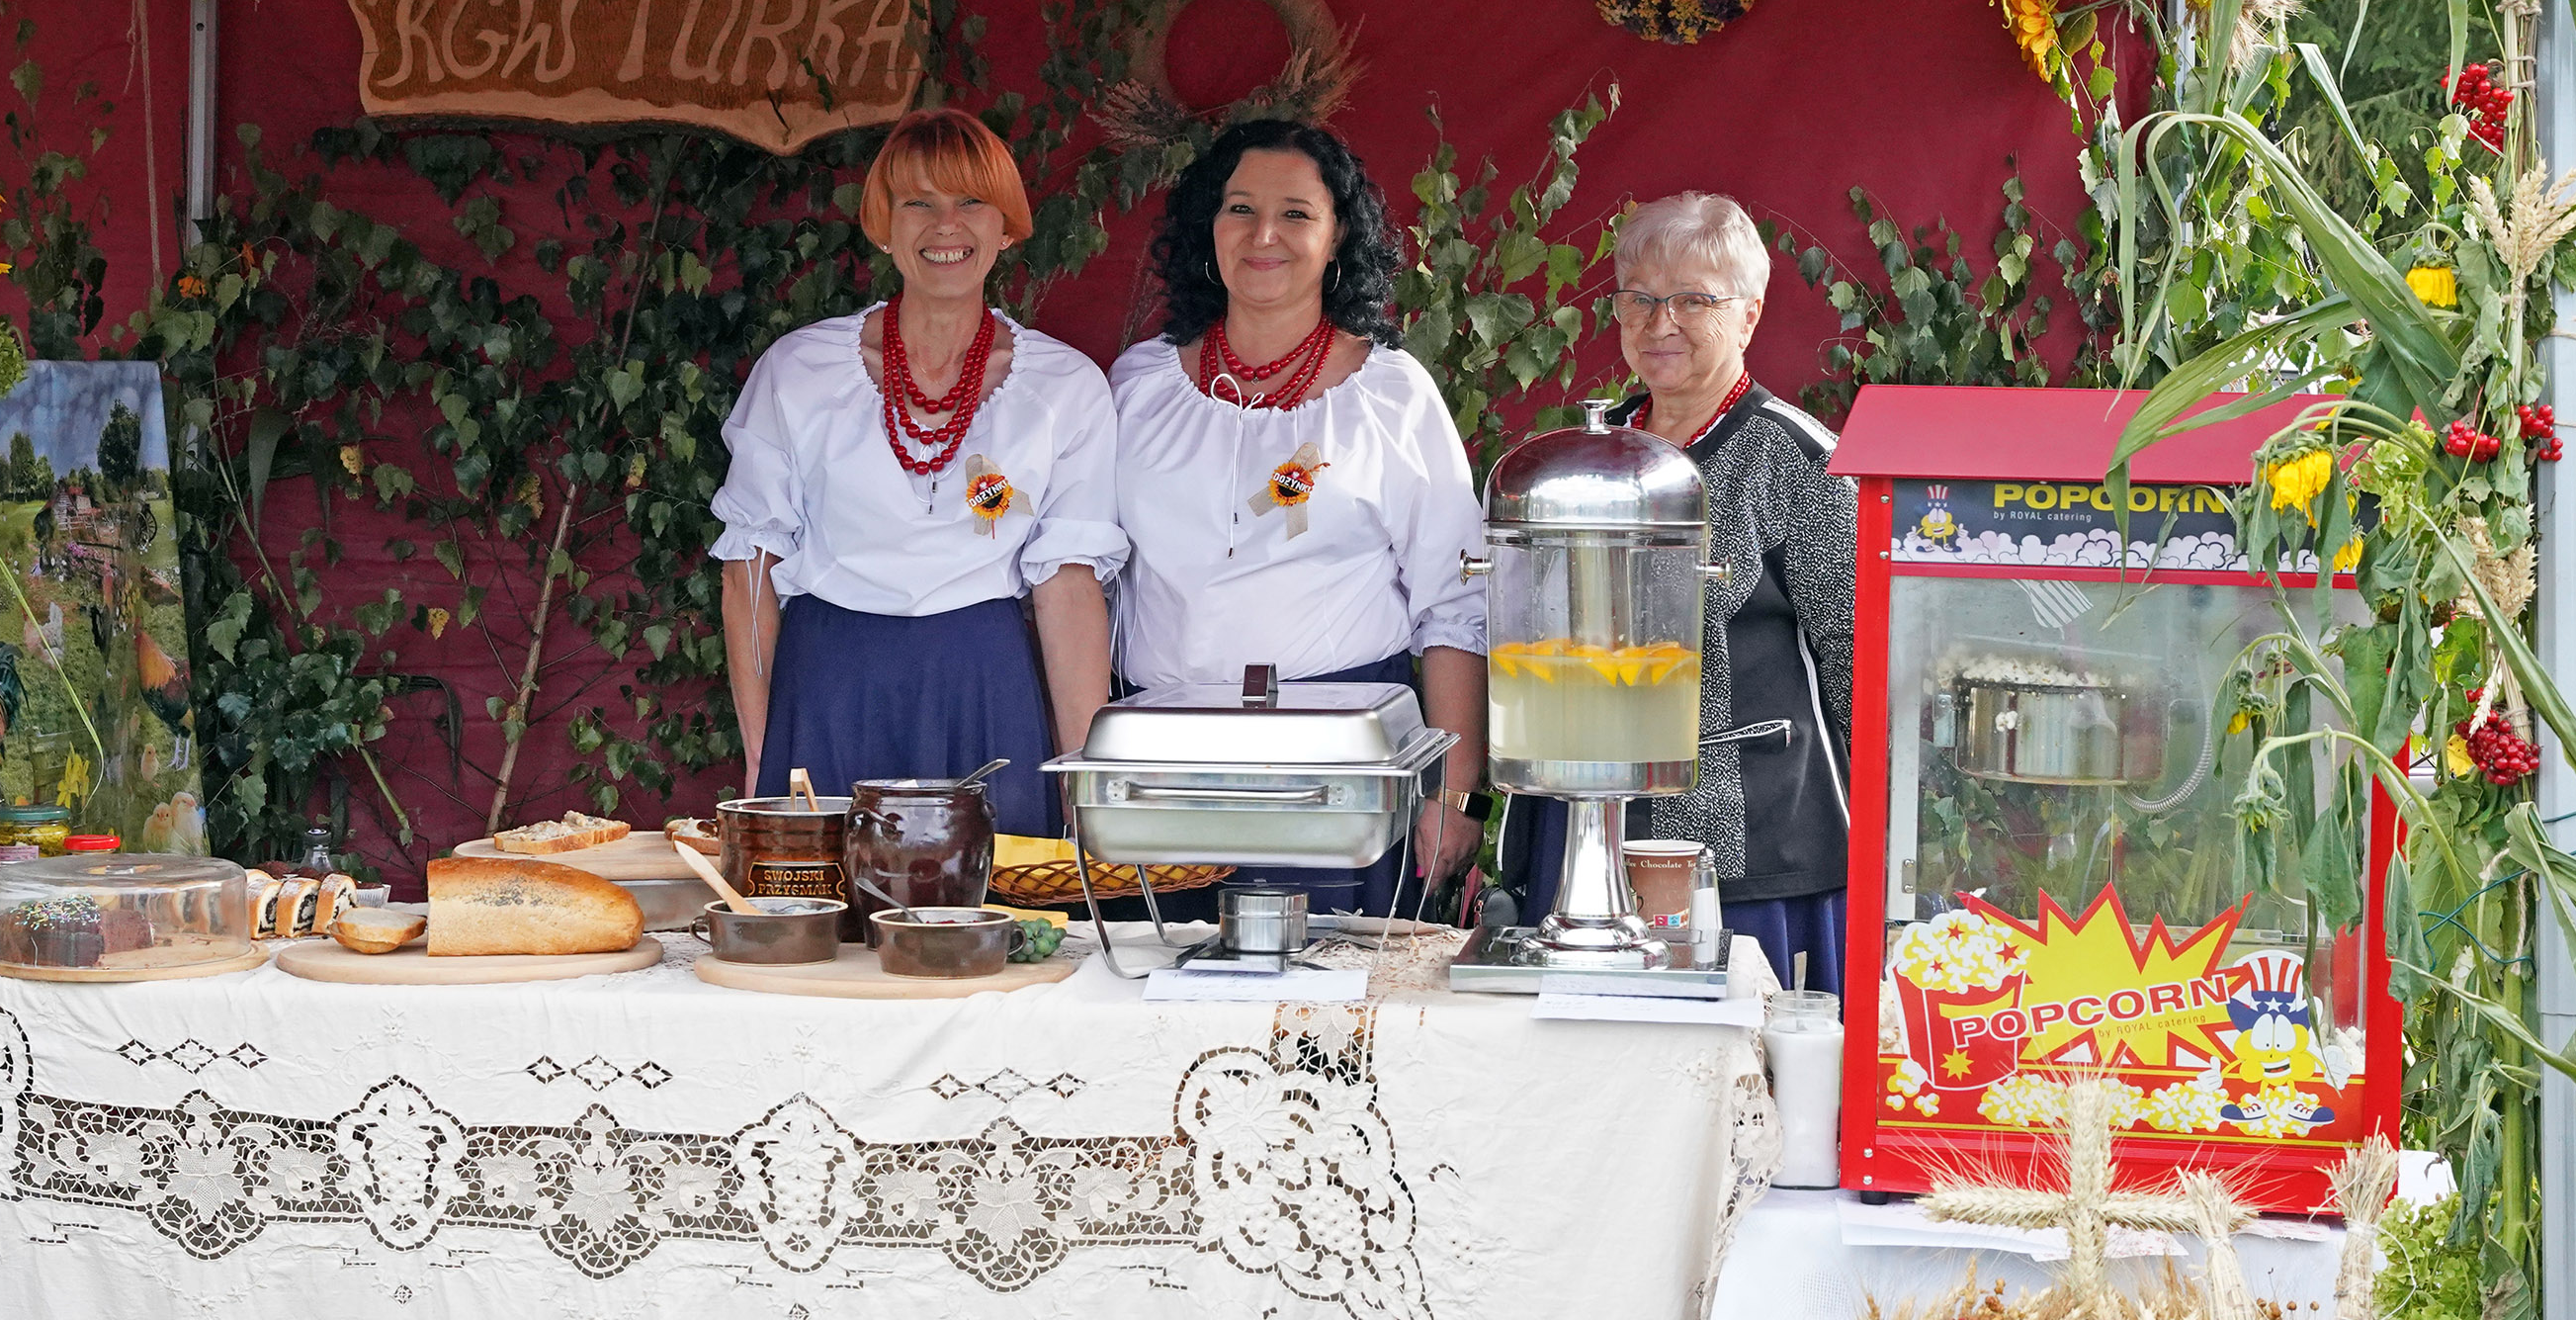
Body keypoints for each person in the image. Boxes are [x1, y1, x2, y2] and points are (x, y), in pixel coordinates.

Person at [1111, 120, 1490, 913]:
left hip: (1340, 767)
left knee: (1329, 989)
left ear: (1337, 232)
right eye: (1240, 209)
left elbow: (1454, 606)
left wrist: (1455, 797)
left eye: (1295, 213)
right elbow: (1087, 579)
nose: (1264, 236)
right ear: (1209, 226)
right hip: (1159, 764)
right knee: (1152, 982)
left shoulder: (1390, 395)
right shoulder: (1138, 388)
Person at [711, 109, 1122, 836]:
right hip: (829, 680)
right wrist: (762, 753)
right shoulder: (799, 370)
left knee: (994, 896)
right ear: (882, 225)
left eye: (971, 201)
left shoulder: (1065, 386)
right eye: (918, 203)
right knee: (825, 895)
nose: (946, 226)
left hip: (983, 683)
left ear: (1006, 226)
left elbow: (1067, 589)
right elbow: (751, 563)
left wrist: (1082, 779)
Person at [1512, 192, 1856, 993]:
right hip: (1582, 834)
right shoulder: (1585, 457)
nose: (1658, 321)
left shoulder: (1799, 461)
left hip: (1749, 851)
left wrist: (1886, 842)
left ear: (1749, 315)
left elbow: (1858, 664)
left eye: (1693, 300)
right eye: (1638, 298)